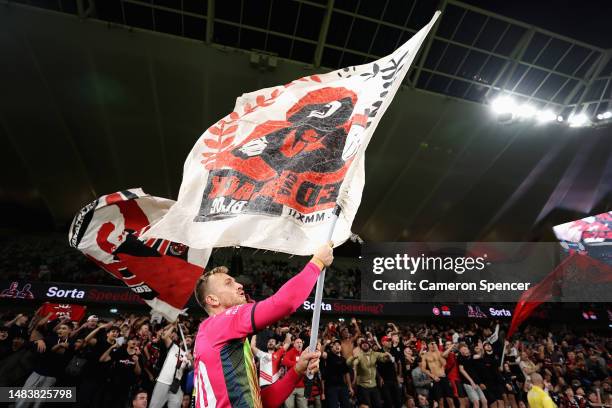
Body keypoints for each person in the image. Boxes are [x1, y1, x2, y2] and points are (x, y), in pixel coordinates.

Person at [192, 243, 333, 407]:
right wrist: (317, 263)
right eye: (229, 283)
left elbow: (262, 402)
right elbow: (284, 303)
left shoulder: (225, 339)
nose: (239, 285)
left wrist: (297, 371)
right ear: (213, 300)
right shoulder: (218, 323)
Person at [348, 336, 391, 408]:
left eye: (366, 343)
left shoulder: (374, 354)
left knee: (378, 405)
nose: (365, 345)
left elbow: (384, 358)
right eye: (363, 344)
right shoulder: (359, 355)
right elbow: (348, 363)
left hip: (373, 386)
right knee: (366, 406)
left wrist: (388, 355)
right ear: (361, 347)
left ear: (369, 345)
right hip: (363, 386)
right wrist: (353, 357)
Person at [422, 340, 454, 408]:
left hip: (444, 377)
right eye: (431, 344)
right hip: (435, 379)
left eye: (434, 344)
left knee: (450, 400)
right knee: (440, 401)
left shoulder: (440, 353)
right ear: (428, 345)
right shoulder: (425, 355)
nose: (433, 345)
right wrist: (433, 376)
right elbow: (423, 369)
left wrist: (437, 351)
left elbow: (444, 363)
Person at [322, 339, 353, 408]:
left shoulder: (343, 359)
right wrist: (325, 344)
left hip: (342, 386)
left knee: (346, 405)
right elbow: (321, 353)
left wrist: (350, 387)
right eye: (335, 345)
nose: (337, 346)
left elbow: (346, 373)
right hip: (331, 387)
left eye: (338, 345)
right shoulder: (329, 355)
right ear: (331, 348)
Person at [457, 343, 487, 408]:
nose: (464, 351)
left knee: (484, 401)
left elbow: (480, 356)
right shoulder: (460, 358)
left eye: (465, 349)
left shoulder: (471, 356)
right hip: (468, 382)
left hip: (476, 382)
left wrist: (481, 349)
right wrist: (471, 381)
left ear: (468, 349)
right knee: (476, 402)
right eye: (462, 350)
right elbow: (461, 370)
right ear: (460, 352)